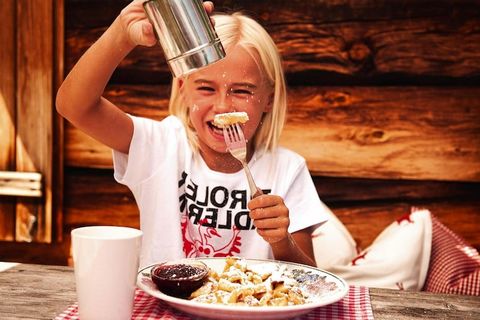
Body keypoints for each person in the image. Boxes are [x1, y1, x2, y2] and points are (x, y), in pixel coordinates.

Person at [56, 0, 330, 268]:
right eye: (206, 89)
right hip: (165, 307)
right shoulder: (160, 147)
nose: (223, 106)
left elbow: (310, 279)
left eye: (242, 90)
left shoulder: (286, 169)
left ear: (268, 99)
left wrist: (282, 241)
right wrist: (121, 35)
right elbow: (74, 106)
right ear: (182, 88)